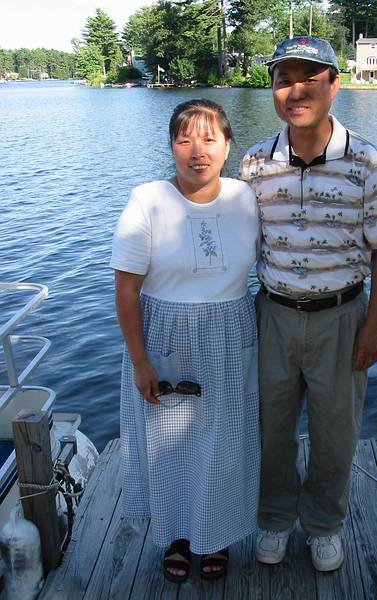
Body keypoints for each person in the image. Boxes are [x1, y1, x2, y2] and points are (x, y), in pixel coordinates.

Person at [240, 36, 377, 571]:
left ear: (334, 86)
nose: (296, 90)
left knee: (337, 432)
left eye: (310, 78)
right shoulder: (254, 164)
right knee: (271, 427)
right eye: (284, 79)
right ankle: (272, 520)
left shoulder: (367, 162)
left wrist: (374, 325)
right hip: (274, 315)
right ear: (273, 89)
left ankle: (323, 524)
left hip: (343, 316)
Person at [111, 99, 260, 583]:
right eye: (184, 139)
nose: (198, 151)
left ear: (228, 145)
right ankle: (177, 535)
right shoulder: (147, 199)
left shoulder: (246, 198)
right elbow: (126, 289)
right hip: (164, 333)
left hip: (231, 330)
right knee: (167, 443)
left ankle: (216, 536)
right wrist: (139, 361)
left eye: (209, 138)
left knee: (224, 441)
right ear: (171, 146)